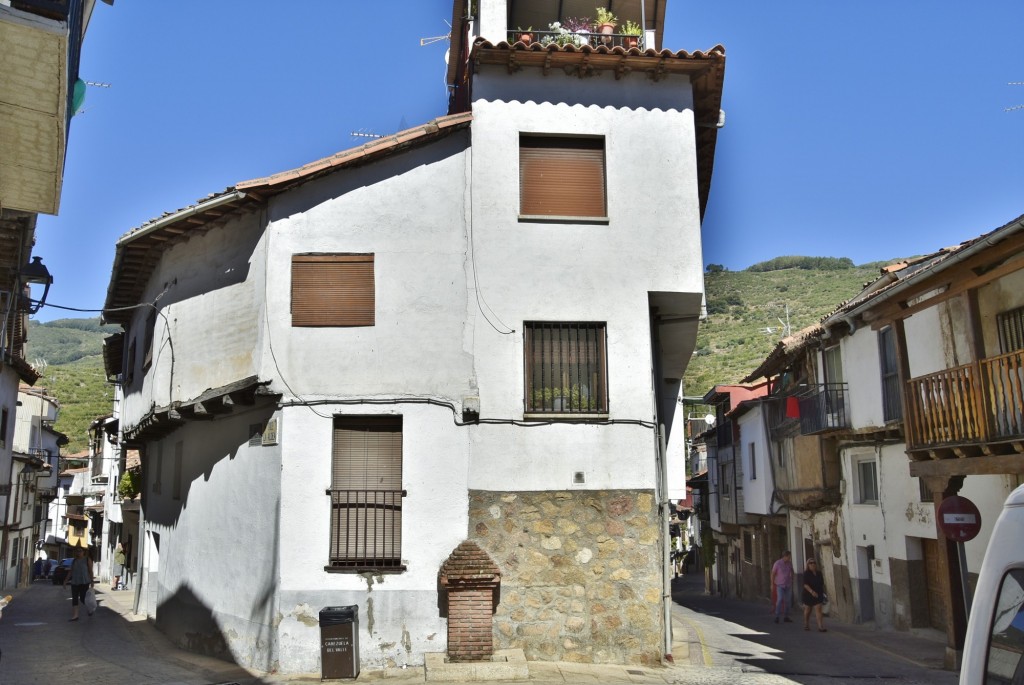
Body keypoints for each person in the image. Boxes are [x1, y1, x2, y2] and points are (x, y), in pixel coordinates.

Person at [63, 546, 94, 621]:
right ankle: (75, 615)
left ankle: (90, 609)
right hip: (75, 582)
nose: (78, 552)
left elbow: (90, 571)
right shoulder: (74, 561)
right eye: (77, 551)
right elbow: (71, 571)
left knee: (83, 598)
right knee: (75, 598)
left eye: (80, 551)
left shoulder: (87, 560)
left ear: (83, 552)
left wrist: (92, 581)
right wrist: (65, 581)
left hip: (84, 582)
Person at [802, 558, 827, 632]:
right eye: (811, 563)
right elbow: (805, 584)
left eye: (814, 563)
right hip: (808, 593)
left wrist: (823, 593)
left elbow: (822, 584)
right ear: (808, 565)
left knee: (818, 609)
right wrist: (812, 592)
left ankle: (820, 626)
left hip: (818, 593)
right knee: (808, 610)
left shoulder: (819, 573)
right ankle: (806, 623)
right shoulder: (806, 573)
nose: (813, 564)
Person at [770, 550, 794, 623]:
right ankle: (777, 616)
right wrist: (772, 584)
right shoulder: (777, 563)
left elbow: (792, 571)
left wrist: (792, 578)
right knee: (780, 599)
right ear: (784, 556)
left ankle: (786, 616)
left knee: (788, 601)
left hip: (788, 585)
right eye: (789, 557)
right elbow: (773, 574)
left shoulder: (789, 564)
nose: (790, 558)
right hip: (780, 585)